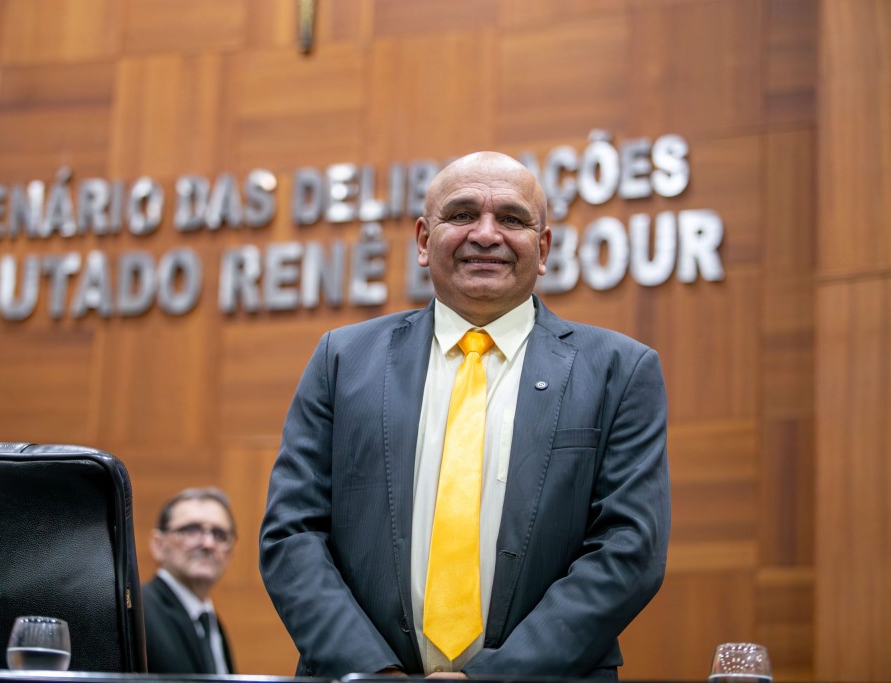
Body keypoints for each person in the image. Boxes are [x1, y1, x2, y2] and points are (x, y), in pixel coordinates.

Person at [259, 151, 670, 680]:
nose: (486, 234)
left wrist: (493, 680)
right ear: (424, 241)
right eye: (461, 214)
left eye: (512, 219)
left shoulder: (620, 370)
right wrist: (373, 674)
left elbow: (629, 549)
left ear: (543, 248)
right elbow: (292, 534)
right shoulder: (342, 360)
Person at [142, 487, 237, 674]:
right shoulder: (137, 611)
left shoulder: (210, 621)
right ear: (158, 544)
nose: (208, 544)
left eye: (219, 534)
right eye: (191, 530)